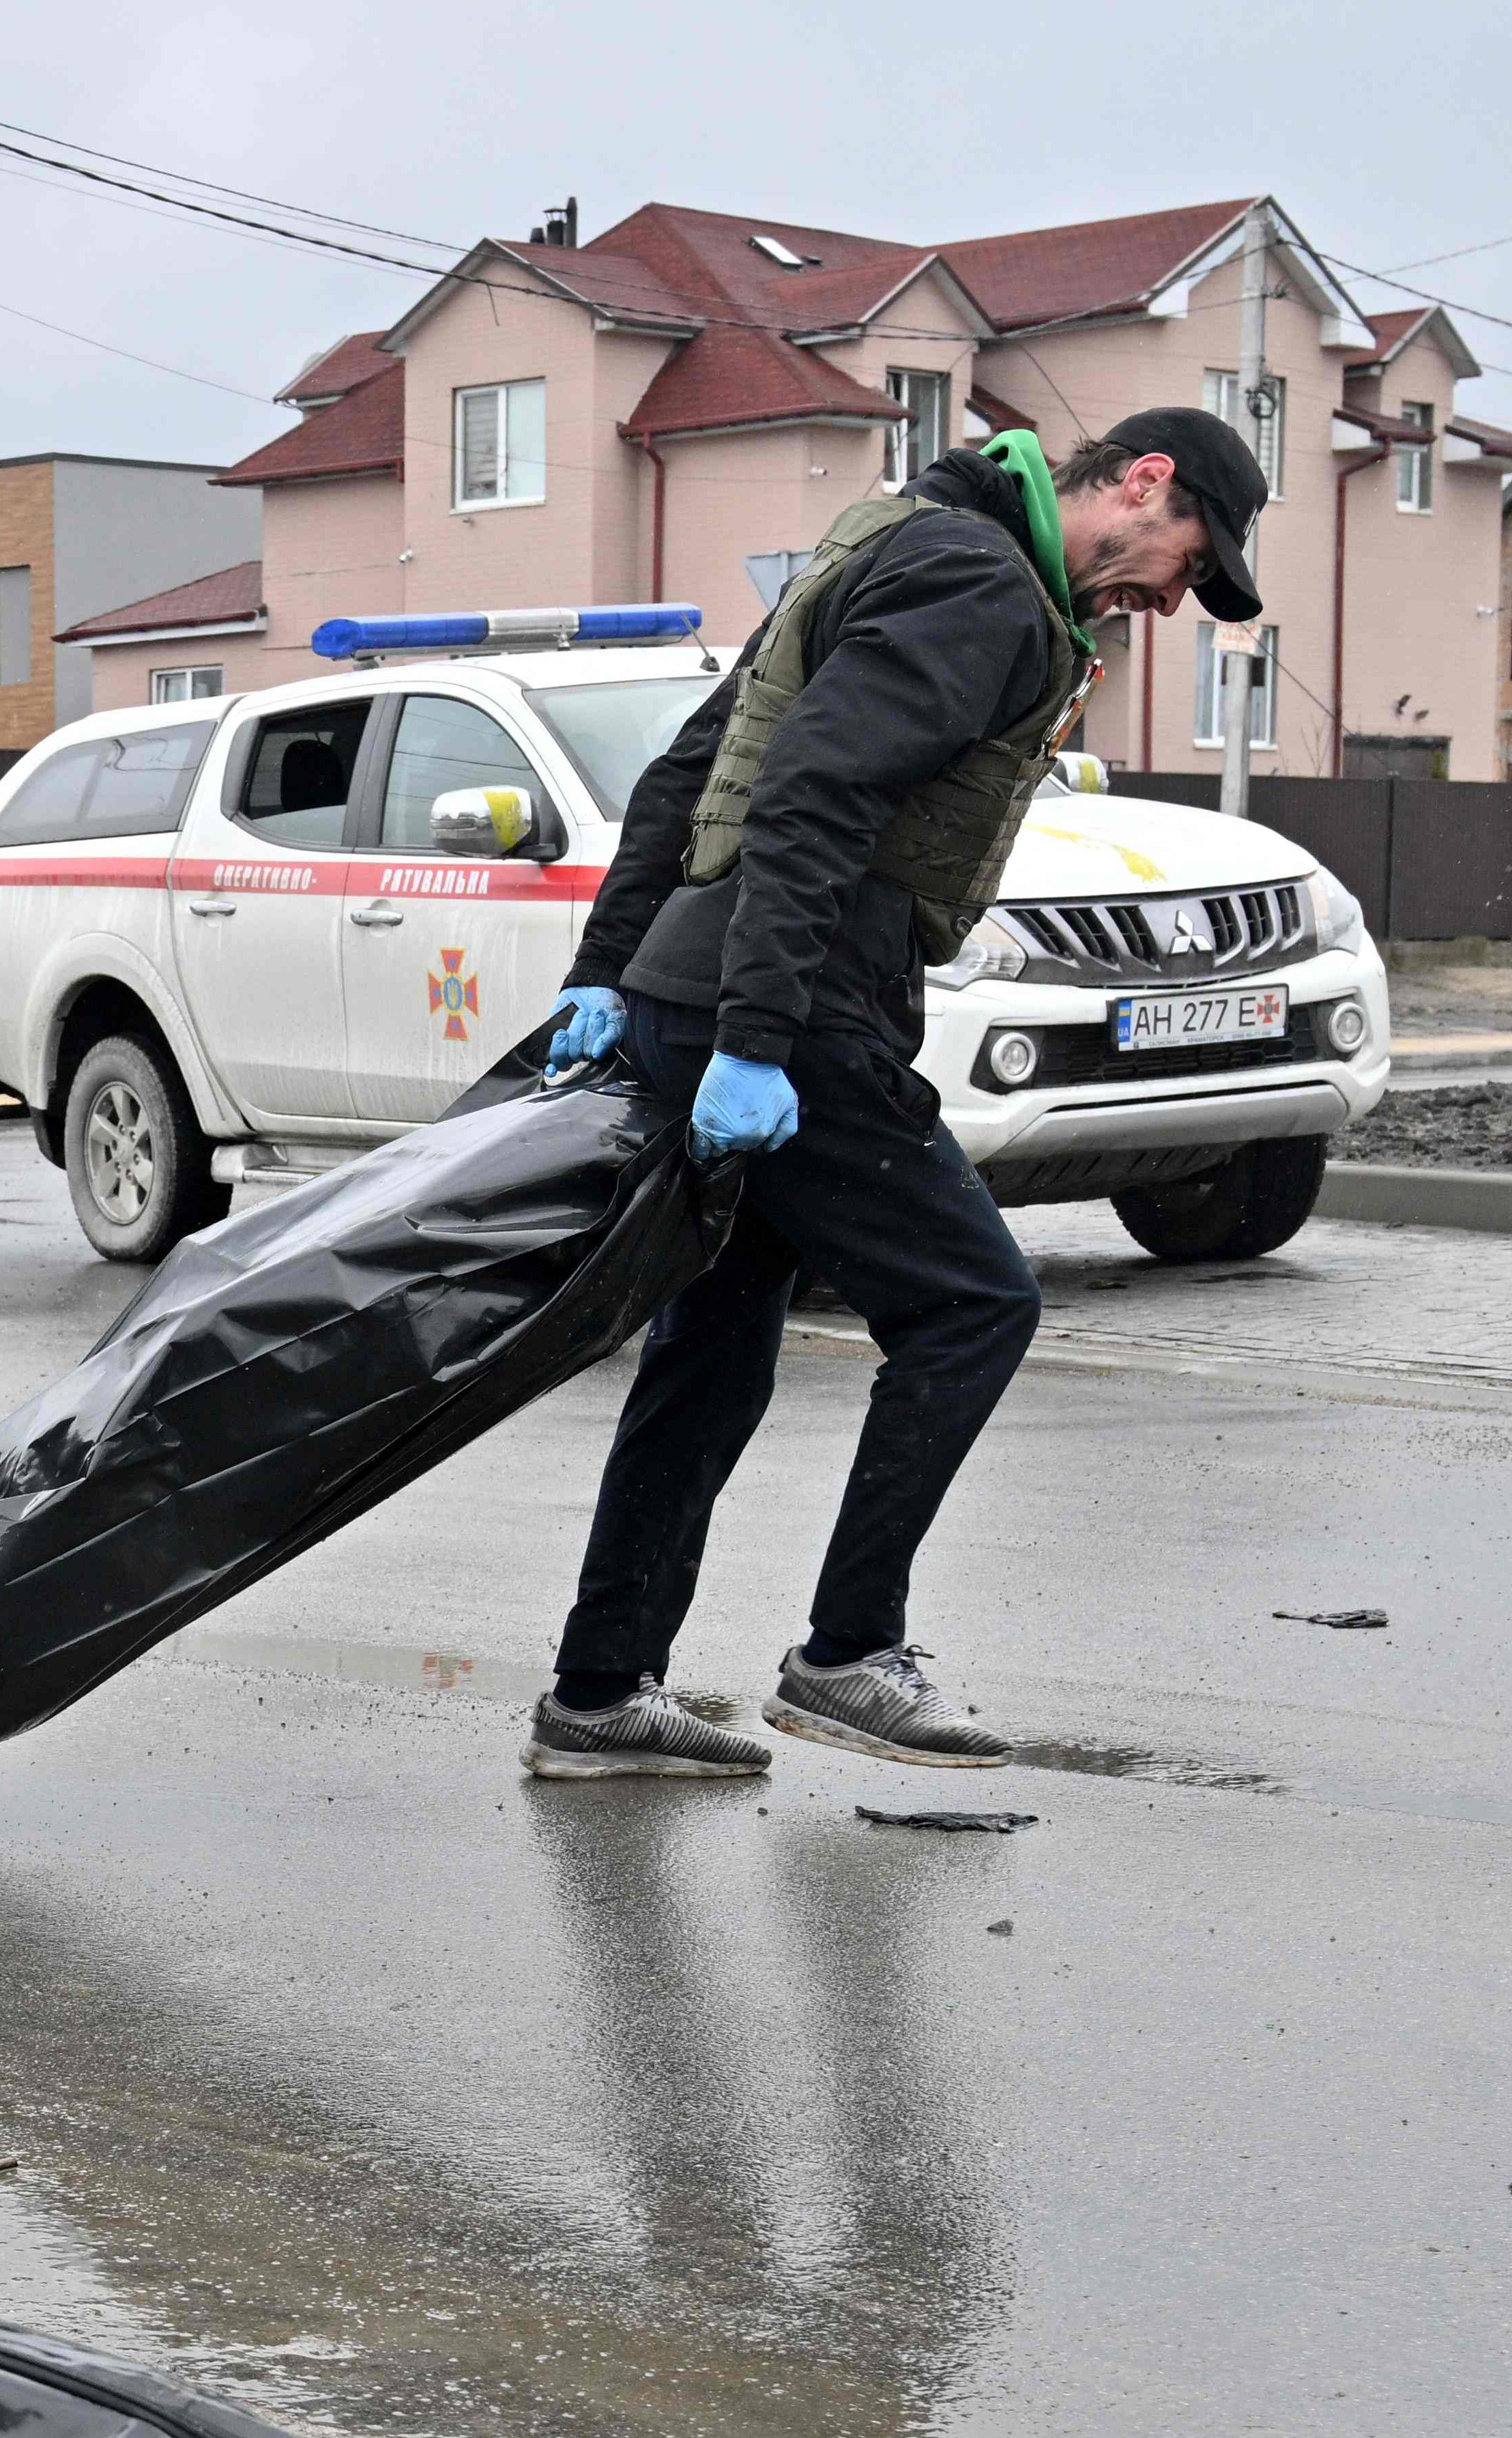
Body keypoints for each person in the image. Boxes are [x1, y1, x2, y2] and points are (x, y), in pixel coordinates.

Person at [520, 408, 1266, 1780]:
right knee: (973, 1303)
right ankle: (848, 1657)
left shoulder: (893, 540)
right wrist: (750, 1037)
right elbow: (803, 795)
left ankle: (598, 1693)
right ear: (1141, 482)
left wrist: (618, 970)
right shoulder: (979, 586)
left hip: (723, 987)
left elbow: (695, 765)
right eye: (1182, 557)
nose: (1166, 596)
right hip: (791, 1003)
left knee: (714, 1348)